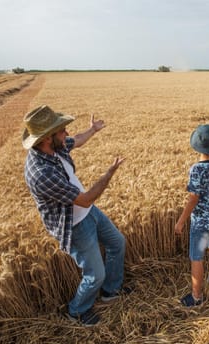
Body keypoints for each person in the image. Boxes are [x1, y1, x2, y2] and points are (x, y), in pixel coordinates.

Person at [23, 105, 129, 326]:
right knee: (95, 275)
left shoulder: (54, 147)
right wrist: (109, 173)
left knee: (117, 243)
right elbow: (86, 198)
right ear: (45, 138)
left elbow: (76, 140)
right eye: (61, 130)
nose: (67, 134)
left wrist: (93, 130)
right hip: (74, 224)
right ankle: (77, 312)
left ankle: (110, 292)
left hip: (89, 213)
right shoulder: (41, 174)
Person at [175, 124, 209, 307]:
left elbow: (193, 199)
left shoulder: (196, 170)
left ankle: (196, 297)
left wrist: (181, 222)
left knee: (196, 257)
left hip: (201, 222)